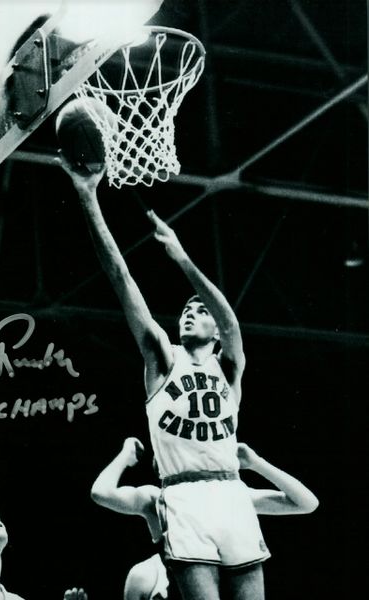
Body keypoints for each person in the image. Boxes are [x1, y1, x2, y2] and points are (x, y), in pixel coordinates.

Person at [60, 161, 279, 600]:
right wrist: (87, 196)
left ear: (214, 332)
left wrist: (182, 259)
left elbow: (232, 324)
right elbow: (120, 277)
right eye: (186, 309)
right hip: (182, 498)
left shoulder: (228, 366)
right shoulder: (161, 358)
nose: (190, 312)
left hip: (232, 492)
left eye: (200, 311)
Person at [91, 437, 318, 600]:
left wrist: (256, 463)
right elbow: (101, 493)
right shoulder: (158, 499)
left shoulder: (230, 495)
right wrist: (125, 456)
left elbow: (307, 503)